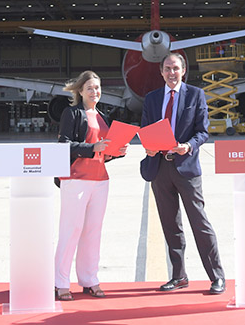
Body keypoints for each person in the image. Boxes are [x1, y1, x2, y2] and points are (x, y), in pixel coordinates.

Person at [139, 51, 226, 295]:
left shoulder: (195, 95)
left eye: (175, 68)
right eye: (167, 68)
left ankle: (217, 276)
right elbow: (146, 128)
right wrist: (147, 144)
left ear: (183, 70)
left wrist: (188, 145)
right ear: (161, 72)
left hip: (186, 166)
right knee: (170, 225)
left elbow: (203, 131)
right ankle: (179, 276)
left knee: (200, 223)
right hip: (159, 168)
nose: (171, 73)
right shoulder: (152, 98)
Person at [54, 70, 124, 301]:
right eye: (90, 88)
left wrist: (115, 153)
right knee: (71, 230)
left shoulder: (102, 116)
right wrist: (92, 148)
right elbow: (64, 144)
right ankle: (61, 282)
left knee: (93, 232)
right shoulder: (72, 113)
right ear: (81, 91)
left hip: (100, 180)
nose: (95, 92)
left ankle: (90, 279)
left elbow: (103, 151)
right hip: (76, 178)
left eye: (98, 87)